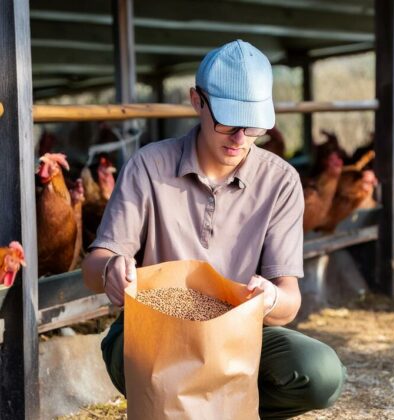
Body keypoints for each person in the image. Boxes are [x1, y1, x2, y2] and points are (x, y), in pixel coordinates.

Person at [82, 39, 345, 419]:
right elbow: (94, 266)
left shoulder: (281, 181)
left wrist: (269, 297)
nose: (240, 138)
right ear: (196, 101)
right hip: (155, 332)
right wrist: (109, 271)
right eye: (227, 120)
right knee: (145, 362)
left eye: (253, 124)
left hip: (238, 332)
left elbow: (289, 301)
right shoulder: (149, 166)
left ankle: (226, 405)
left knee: (321, 373)